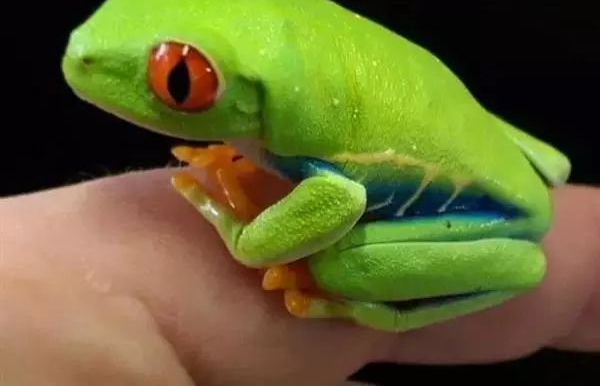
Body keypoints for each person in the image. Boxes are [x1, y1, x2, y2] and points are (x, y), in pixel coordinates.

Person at [0, 167, 598, 385]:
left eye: (181, 78)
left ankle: (383, 311)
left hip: (470, 205)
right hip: (509, 165)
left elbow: (339, 195)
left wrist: (244, 234)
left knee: (337, 263)